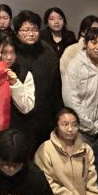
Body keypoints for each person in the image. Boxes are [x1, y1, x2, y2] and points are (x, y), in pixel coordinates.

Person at [13, 11, 63, 150]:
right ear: (16, 32)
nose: (30, 34)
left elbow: (56, 85)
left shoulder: (47, 51)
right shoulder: (11, 52)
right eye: (25, 30)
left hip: (44, 117)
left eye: (34, 30)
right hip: (18, 119)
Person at [0, 33, 35, 117]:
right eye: (4, 52)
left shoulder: (25, 74)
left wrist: (15, 84)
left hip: (16, 122)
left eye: (12, 53)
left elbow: (27, 107)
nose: (9, 57)